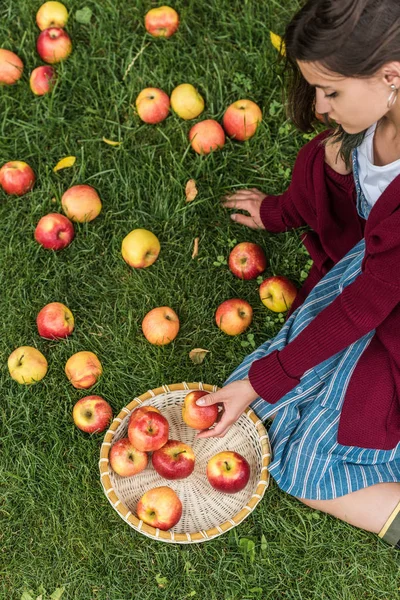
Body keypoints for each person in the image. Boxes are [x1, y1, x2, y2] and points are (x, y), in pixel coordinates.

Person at [196, 0, 400, 549]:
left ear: (392, 76)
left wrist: (270, 378)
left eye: (331, 92)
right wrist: (279, 212)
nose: (320, 105)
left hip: (387, 320)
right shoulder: (368, 128)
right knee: (257, 415)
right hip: (368, 289)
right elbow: (338, 204)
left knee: (303, 461)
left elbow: (366, 305)